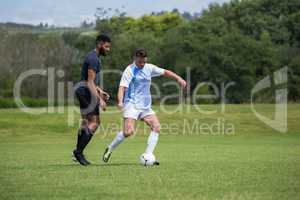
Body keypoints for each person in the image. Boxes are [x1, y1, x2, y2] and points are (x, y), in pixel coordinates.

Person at [102, 48, 187, 164]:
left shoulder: (149, 68)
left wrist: (178, 78)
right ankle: (110, 148)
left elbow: (165, 72)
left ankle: (148, 155)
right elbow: (122, 87)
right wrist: (120, 101)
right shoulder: (129, 70)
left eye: (144, 61)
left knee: (156, 127)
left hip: (145, 106)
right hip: (131, 104)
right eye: (140, 62)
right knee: (128, 132)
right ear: (135, 59)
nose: (142, 64)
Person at [72, 34, 111, 166]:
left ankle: (77, 153)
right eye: (106, 46)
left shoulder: (94, 57)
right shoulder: (93, 59)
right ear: (99, 44)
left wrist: (100, 91)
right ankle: (78, 152)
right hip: (86, 92)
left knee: (86, 123)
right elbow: (89, 82)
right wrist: (99, 100)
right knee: (94, 122)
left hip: (83, 91)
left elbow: (91, 81)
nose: (108, 49)